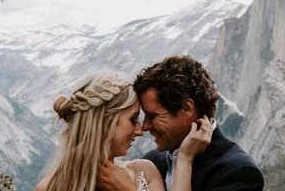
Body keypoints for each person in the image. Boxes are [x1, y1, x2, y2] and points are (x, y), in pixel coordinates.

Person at [98, 55, 265, 191]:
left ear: (187, 108)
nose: (145, 127)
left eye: (152, 116)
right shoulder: (152, 163)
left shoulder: (238, 172)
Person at [34, 74, 213, 191]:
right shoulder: (49, 188)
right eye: (133, 119)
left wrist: (184, 159)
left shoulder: (145, 172)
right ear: (104, 124)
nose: (140, 129)